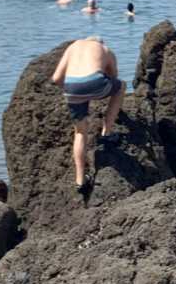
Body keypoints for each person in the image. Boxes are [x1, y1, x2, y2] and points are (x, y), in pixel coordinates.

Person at [49, 36, 124, 191]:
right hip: (95, 82)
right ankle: (107, 133)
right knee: (121, 87)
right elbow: (113, 77)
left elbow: (56, 78)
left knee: (80, 133)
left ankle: (80, 181)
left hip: (71, 87)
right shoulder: (105, 50)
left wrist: (74, 91)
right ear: (100, 42)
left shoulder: (73, 46)